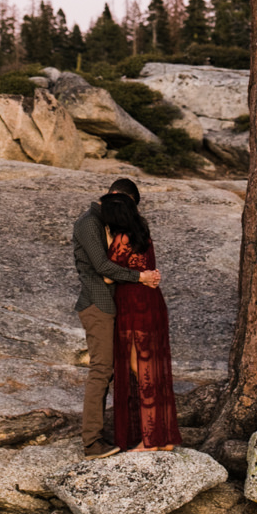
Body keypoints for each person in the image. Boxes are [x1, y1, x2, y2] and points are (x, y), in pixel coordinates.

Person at [72, 177, 159, 459]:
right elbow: (100, 266)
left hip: (111, 305)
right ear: (115, 196)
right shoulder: (89, 222)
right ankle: (91, 443)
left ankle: (119, 433)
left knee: (116, 370)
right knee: (101, 371)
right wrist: (140, 276)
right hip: (97, 306)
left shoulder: (107, 220)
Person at [101, 187, 180, 451]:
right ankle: (164, 436)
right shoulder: (144, 236)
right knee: (153, 370)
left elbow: (108, 275)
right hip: (151, 302)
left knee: (141, 370)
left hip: (133, 305)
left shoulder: (122, 239)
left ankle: (150, 440)